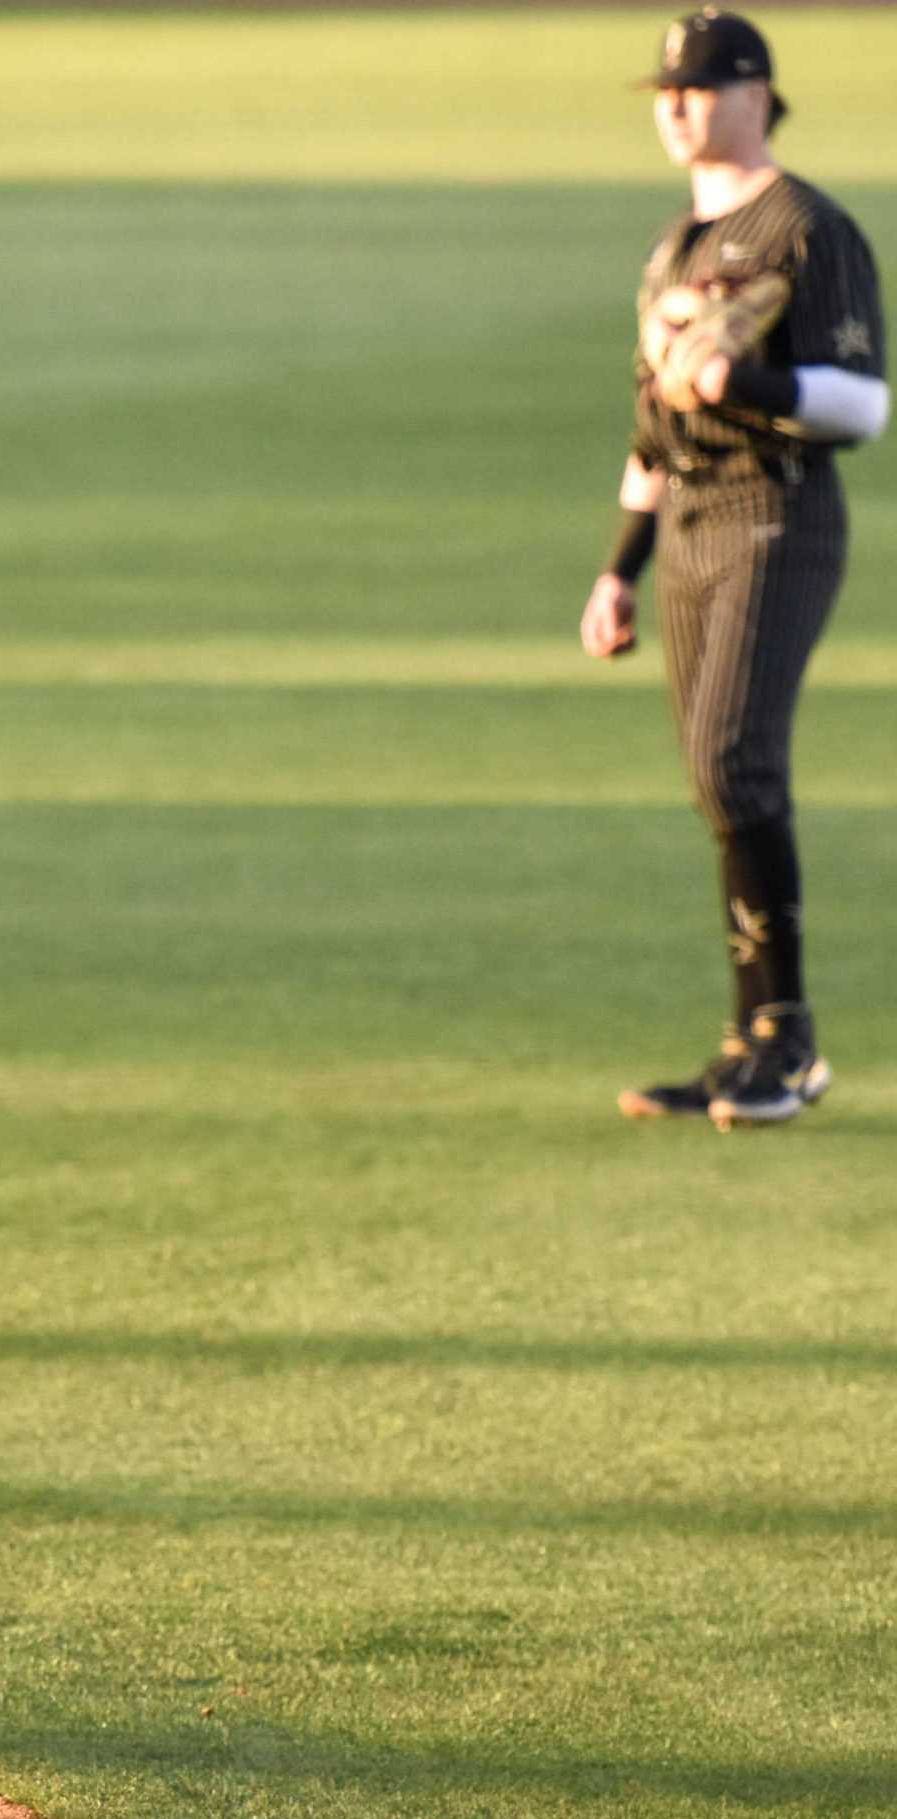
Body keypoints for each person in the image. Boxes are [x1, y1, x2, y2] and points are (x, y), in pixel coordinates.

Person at [579, 8, 885, 1128]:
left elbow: (862, 404)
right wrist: (618, 566)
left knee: (731, 756)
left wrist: (741, 387)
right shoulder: (673, 248)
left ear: (758, 93)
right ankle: (749, 1039)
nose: (675, 106)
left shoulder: (807, 228)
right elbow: (649, 429)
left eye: (699, 87)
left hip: (778, 514)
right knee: (719, 780)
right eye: (665, 90)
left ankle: (788, 1043)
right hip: (693, 522)